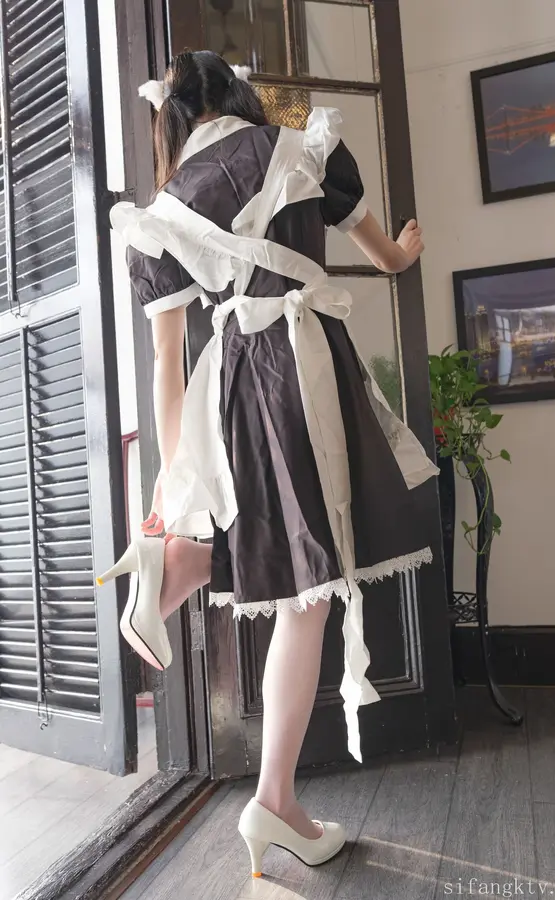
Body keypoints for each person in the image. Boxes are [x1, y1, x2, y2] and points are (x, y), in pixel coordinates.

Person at [101, 50, 438, 877]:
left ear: (174, 121)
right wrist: (402, 252)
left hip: (232, 388)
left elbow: (167, 363)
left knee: (291, 571)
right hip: (304, 372)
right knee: (309, 589)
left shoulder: (165, 211)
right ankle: (275, 800)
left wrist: (172, 488)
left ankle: (181, 560)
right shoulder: (302, 145)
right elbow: (381, 254)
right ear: (240, 96)